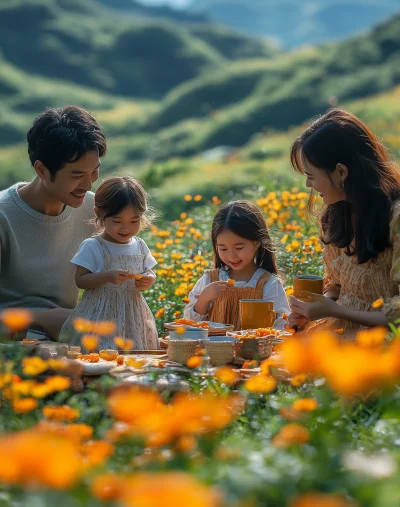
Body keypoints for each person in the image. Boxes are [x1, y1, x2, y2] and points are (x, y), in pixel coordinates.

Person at [288, 108, 400, 340]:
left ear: (340, 171)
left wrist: (333, 310)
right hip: (339, 336)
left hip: (382, 348)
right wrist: (314, 309)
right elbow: (337, 286)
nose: (309, 185)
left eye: (311, 175)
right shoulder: (337, 215)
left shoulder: (395, 217)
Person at [0, 106, 106, 339]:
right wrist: (41, 318)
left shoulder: (93, 210)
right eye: (77, 175)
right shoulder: (3, 217)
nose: (88, 185)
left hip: (69, 340)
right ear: (42, 170)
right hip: (11, 347)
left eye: (94, 172)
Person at [59, 176, 159, 350]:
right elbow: (81, 280)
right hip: (100, 315)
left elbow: (149, 272)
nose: (126, 228)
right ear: (99, 214)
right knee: (101, 352)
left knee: (134, 352)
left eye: (134, 221)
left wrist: (149, 279)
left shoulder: (140, 245)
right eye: (117, 221)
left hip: (133, 315)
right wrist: (106, 276)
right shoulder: (94, 246)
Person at [184, 200, 289, 330]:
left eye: (239, 248)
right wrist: (204, 299)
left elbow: (283, 325)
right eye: (223, 249)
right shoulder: (210, 279)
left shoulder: (268, 284)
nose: (231, 256)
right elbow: (190, 322)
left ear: (257, 242)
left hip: (255, 349)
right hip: (213, 350)